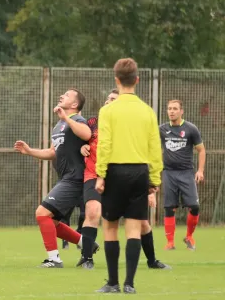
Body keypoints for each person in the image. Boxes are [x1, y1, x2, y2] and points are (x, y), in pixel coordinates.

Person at [80, 89, 170, 270]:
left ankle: (152, 261)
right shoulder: (91, 122)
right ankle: (86, 258)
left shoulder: (127, 125)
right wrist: (81, 147)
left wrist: (151, 181)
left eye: (113, 99)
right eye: (108, 98)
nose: (108, 101)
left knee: (142, 223)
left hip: (121, 176)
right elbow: (79, 138)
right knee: (92, 212)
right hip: (94, 174)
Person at [95, 58, 163, 294]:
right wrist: (155, 178)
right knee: (134, 229)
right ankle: (129, 284)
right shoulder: (147, 111)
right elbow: (155, 147)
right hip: (139, 172)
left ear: (116, 80)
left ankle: (112, 283)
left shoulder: (108, 110)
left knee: (110, 227)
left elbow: (104, 144)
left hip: (115, 171)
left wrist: (101, 174)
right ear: (137, 80)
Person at [14, 89, 95, 268]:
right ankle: (86, 243)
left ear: (74, 104)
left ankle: (54, 259)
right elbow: (52, 152)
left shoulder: (77, 120)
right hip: (65, 178)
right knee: (53, 221)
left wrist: (66, 118)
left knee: (42, 213)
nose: (61, 96)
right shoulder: (58, 125)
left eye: (66, 95)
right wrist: (29, 151)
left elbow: (87, 134)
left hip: (75, 179)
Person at [159, 99, 206, 251]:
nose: (171, 111)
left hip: (186, 173)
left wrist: (200, 171)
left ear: (181, 111)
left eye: (175, 108)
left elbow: (201, 150)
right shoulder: (162, 129)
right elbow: (150, 143)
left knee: (194, 206)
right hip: (169, 173)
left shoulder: (191, 129)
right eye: (169, 108)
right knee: (169, 207)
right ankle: (170, 242)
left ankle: (189, 236)